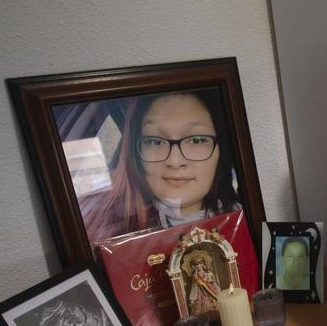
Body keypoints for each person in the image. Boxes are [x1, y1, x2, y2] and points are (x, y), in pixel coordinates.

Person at [80, 90, 241, 242]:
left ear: (222, 151)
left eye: (196, 140)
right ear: (136, 154)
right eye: (155, 141)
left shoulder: (247, 222)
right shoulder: (104, 229)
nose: (175, 161)